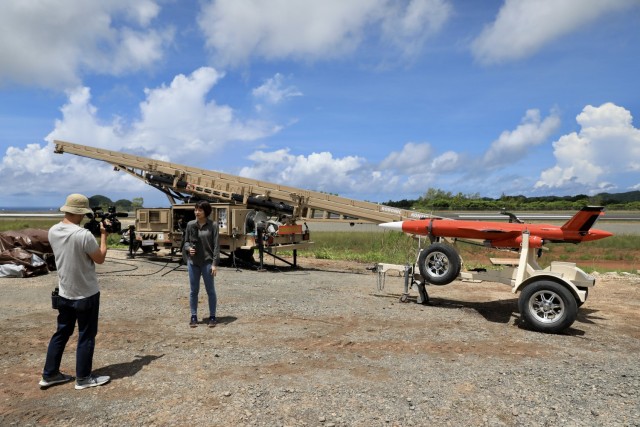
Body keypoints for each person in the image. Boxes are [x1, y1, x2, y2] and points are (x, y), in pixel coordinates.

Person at [39, 194, 111, 390]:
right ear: (81, 212)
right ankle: (84, 378)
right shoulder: (83, 235)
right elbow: (100, 258)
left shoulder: (53, 230)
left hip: (64, 293)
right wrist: (104, 236)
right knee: (86, 335)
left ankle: (50, 374)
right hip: (86, 293)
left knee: (62, 332)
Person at [183, 200, 220, 328]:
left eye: (200, 210)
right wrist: (188, 249)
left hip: (207, 262)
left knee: (210, 290)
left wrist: (215, 263)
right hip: (193, 263)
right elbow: (186, 242)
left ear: (206, 211)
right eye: (195, 210)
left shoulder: (213, 225)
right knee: (194, 291)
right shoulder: (190, 225)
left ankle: (212, 316)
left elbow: (216, 246)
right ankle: (193, 316)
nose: (197, 212)